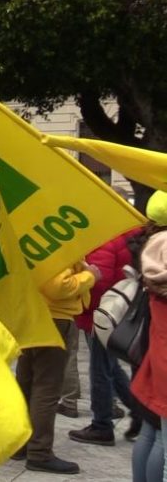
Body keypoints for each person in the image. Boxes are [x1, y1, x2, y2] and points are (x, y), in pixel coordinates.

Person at [13, 261, 99, 474]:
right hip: (55, 318)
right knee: (46, 388)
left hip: (32, 313)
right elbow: (58, 286)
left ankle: (21, 443)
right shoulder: (61, 249)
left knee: (27, 383)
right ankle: (39, 452)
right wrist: (90, 275)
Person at [67, 228, 141, 445]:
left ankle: (102, 426)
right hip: (119, 312)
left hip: (102, 314)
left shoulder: (103, 239)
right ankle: (140, 413)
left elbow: (99, 283)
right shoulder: (130, 233)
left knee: (100, 370)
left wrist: (81, 285)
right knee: (111, 367)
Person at [133, 190, 167, 481]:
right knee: (160, 438)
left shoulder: (147, 244)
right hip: (159, 351)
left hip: (152, 347)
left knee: (150, 428)